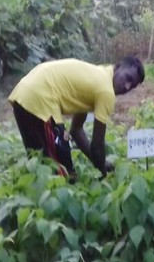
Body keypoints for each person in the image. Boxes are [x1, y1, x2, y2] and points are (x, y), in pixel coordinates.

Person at [9, 56, 145, 179]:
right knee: (64, 173)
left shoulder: (97, 75)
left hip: (24, 93)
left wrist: (100, 162)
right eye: (128, 78)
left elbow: (76, 130)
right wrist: (104, 172)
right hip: (39, 97)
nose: (127, 87)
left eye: (132, 86)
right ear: (118, 66)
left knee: (41, 165)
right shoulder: (106, 90)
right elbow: (97, 147)